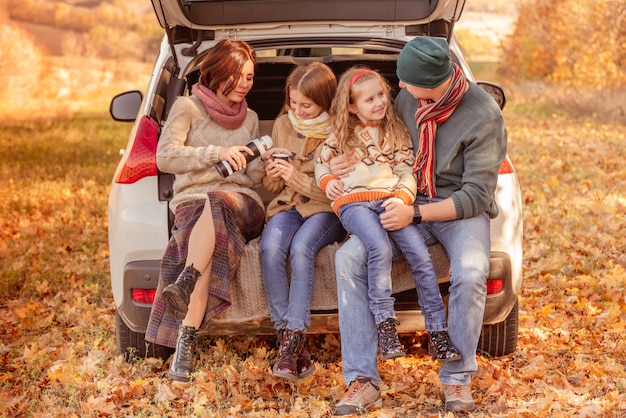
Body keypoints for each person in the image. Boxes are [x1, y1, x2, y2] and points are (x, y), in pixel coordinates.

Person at [331, 37, 508, 415]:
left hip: (456, 209)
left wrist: (414, 214)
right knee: (348, 259)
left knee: (473, 271)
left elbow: (477, 195)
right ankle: (362, 381)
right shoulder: (409, 98)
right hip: (403, 195)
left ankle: (456, 378)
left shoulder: (484, 115)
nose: (400, 91)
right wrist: (341, 165)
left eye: (407, 83)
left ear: (432, 82)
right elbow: (379, 141)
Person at [315, 67, 459, 364]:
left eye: (381, 94)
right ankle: (385, 324)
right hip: (353, 204)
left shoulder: (395, 131)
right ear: (352, 107)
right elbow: (321, 163)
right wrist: (328, 180)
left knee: (420, 255)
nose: (379, 103)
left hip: (390, 200)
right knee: (378, 248)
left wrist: (403, 198)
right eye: (369, 100)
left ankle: (438, 331)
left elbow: (408, 171)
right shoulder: (340, 135)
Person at [144, 39, 267, 382]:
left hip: (242, 203)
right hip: (193, 203)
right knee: (208, 219)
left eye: (250, 77)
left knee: (217, 202)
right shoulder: (187, 108)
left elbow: (254, 178)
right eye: (238, 76)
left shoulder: (252, 117)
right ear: (217, 74)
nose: (245, 84)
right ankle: (186, 344)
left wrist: (264, 163)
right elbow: (164, 156)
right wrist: (216, 153)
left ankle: (186, 279)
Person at [259, 62, 346, 382]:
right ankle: (290, 345)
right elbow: (273, 188)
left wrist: (294, 176)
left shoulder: (341, 130)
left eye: (305, 105)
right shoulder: (283, 124)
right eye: (292, 102)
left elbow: (336, 194)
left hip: (326, 210)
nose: (298, 110)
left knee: (301, 248)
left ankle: (292, 334)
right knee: (270, 249)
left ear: (324, 100)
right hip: (288, 206)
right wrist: (272, 174)